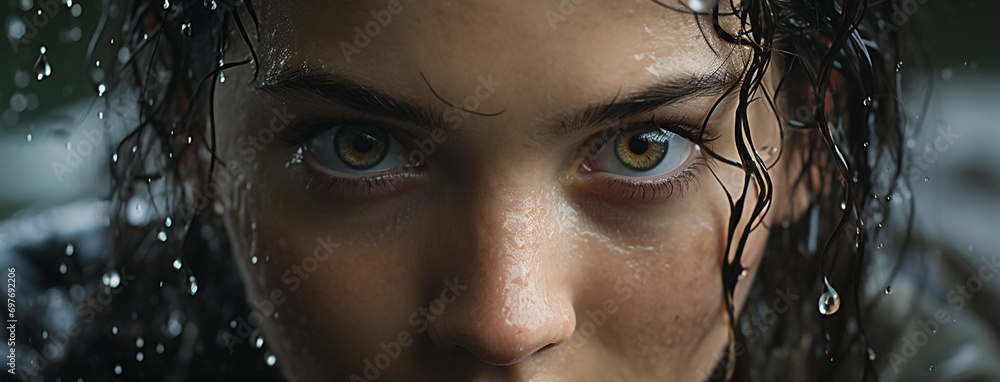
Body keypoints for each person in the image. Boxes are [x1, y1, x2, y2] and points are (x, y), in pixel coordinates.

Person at [6, 0, 999, 381]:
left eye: (645, 148)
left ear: (808, 148)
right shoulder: (44, 338)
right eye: (357, 148)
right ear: (193, 139)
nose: (503, 319)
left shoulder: (905, 360)